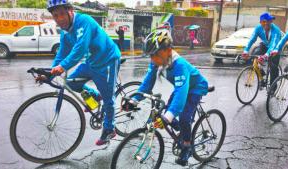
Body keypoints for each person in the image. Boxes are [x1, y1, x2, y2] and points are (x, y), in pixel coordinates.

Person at [122, 29, 208, 166]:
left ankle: (187, 145)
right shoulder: (156, 63)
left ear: (168, 50)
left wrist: (168, 117)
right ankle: (182, 130)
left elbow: (181, 94)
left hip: (196, 88)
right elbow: (147, 83)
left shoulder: (179, 65)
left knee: (184, 118)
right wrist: (134, 100)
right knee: (166, 111)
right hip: (182, 87)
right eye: (150, 56)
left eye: (155, 54)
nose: (153, 59)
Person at [41, 0, 121, 146]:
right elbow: (62, 54)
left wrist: (63, 67)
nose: (59, 19)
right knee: (70, 83)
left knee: (109, 99)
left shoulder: (84, 21)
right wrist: (50, 73)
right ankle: (96, 96)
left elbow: (80, 48)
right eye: (55, 16)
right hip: (91, 62)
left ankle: (110, 129)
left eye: (61, 14)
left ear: (70, 11)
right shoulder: (65, 32)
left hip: (108, 61)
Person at [242, 12, 281, 87]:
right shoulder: (258, 28)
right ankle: (261, 75)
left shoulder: (276, 30)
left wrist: (266, 55)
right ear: (261, 22)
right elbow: (252, 40)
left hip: (275, 48)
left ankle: (273, 87)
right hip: (265, 45)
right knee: (254, 56)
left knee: (273, 67)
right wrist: (246, 50)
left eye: (269, 21)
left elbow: (273, 44)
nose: (267, 23)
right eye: (265, 22)